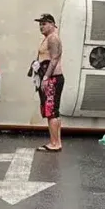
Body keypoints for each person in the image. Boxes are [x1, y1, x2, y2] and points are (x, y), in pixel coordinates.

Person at [33, 13, 63, 152]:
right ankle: (56, 141)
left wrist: (46, 77)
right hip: (49, 78)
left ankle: (54, 143)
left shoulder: (53, 38)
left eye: (44, 23)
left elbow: (54, 59)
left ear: (52, 24)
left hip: (53, 79)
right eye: (40, 24)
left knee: (51, 112)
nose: (41, 26)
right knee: (51, 111)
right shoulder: (47, 39)